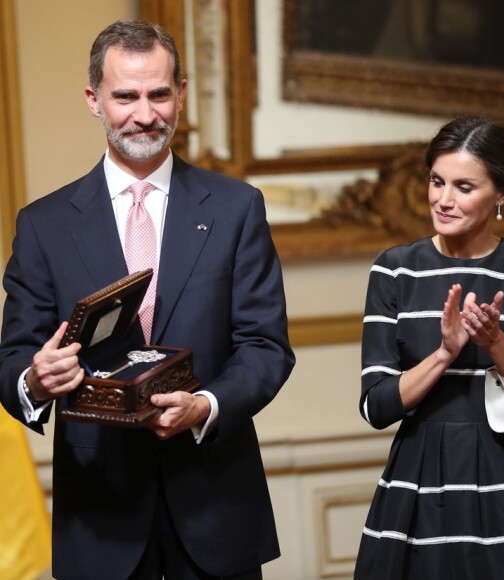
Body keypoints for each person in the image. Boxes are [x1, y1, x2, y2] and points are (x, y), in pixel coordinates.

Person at [0, 20, 295, 580]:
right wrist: (37, 379)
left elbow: (266, 348)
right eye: (125, 96)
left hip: (215, 509)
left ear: (181, 93)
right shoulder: (44, 226)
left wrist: (204, 405)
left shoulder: (236, 209)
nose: (145, 114)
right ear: (94, 100)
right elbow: (12, 364)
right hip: (99, 516)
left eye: (159, 94)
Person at [354, 116, 504, 579]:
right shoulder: (394, 270)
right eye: (437, 181)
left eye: (463, 186)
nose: (443, 199)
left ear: (501, 193)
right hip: (420, 478)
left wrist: (496, 344)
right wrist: (443, 354)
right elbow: (374, 406)